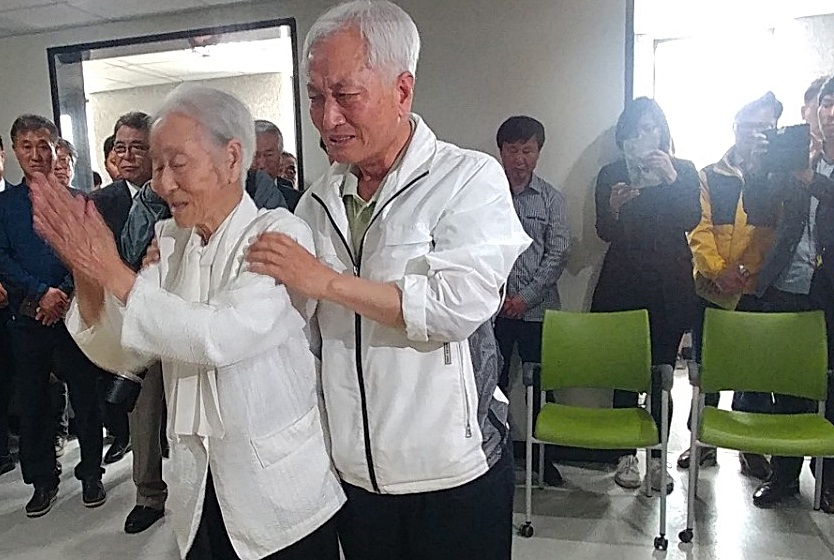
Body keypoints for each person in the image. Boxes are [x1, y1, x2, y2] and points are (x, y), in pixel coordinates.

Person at [245, 3, 530, 559]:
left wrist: (326, 281)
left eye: (346, 95)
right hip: (351, 473)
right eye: (315, 97)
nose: (327, 119)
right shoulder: (316, 201)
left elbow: (455, 305)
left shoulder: (466, 178)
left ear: (403, 91)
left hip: (451, 471)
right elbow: (295, 328)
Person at [34, 85, 344, 560]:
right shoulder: (170, 240)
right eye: (156, 166)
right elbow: (128, 350)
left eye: (176, 163)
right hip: (198, 486)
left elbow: (218, 336)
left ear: (231, 157)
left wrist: (113, 270)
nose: (160, 183)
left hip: (278, 490)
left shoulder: (281, 234)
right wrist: (87, 266)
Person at [590, 97, 700, 494]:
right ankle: (625, 456)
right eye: (637, 128)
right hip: (624, 282)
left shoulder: (683, 170)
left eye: (652, 126)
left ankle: (658, 459)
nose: (644, 135)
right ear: (625, 135)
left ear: (663, 131)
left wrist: (671, 177)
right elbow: (604, 231)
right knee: (624, 370)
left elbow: (690, 219)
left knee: (663, 375)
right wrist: (615, 209)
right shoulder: (612, 174)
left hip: (669, 285)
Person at [0, 114, 106, 518]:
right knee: (34, 401)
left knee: (85, 395)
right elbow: (2, 258)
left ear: (56, 148)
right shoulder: (5, 206)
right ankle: (42, 479)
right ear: (14, 152)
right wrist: (41, 292)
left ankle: (92, 472)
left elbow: (87, 252)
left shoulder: (79, 200)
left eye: (43, 144)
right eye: (26, 146)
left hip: (74, 312)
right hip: (28, 316)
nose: (36, 153)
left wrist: (61, 290)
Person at [679, 93, 783, 477]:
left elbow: (779, 234)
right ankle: (701, 443)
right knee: (707, 370)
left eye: (766, 128)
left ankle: (749, 446)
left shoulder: (780, 178)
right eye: (751, 127)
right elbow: (698, 228)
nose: (758, 135)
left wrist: (750, 275)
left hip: (759, 290)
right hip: (712, 288)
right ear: (736, 128)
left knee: (754, 373)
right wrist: (718, 270)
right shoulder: (708, 175)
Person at [743, 80, 834, 510]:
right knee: (788, 389)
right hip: (788, 284)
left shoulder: (811, 168)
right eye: (827, 103)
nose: (831, 112)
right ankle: (785, 476)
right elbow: (759, 211)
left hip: (830, 290)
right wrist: (757, 168)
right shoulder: (795, 152)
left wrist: (811, 178)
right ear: (813, 109)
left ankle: (830, 479)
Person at [493, 115, 570, 486]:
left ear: (538, 152)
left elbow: (557, 254)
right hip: (493, 311)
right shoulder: (486, 194)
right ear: (501, 152)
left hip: (538, 312)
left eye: (527, 150)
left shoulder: (552, 198)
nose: (519, 159)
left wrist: (524, 298)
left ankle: (547, 459)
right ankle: (493, 457)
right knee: (492, 384)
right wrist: (502, 296)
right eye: (512, 150)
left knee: (543, 386)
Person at [251, 120, 301, 211]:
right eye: (255, 156)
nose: (261, 164)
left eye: (269, 155)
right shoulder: (230, 199)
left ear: (280, 158)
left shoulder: (298, 202)